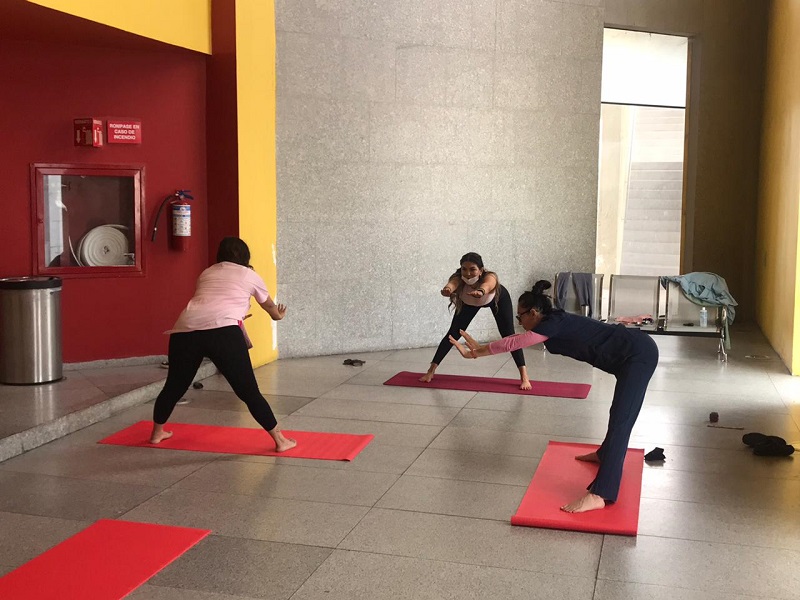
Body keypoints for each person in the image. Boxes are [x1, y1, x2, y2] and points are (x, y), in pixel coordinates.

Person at [449, 279, 659, 513]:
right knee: (618, 413)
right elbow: (518, 340)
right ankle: (604, 454)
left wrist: (478, 351)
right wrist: (481, 349)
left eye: (520, 317)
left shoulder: (552, 323)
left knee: (622, 419)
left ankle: (602, 493)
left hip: (638, 355)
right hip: (623, 357)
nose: (520, 323)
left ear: (535, 313)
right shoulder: (553, 321)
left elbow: (516, 342)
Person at [149, 237, 296, 452]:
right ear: (246, 256)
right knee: (248, 391)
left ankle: (156, 433)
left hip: (185, 330)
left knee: (174, 386)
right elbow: (272, 311)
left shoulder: (207, 273)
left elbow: (212, 302)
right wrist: (279, 315)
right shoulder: (249, 275)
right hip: (223, 332)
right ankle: (281, 441)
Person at [420, 252, 530, 390]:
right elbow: (452, 284)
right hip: (470, 301)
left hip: (497, 300)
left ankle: (524, 377)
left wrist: (481, 291)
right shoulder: (459, 278)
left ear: (481, 270)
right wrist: (447, 290)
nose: (468, 273)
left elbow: (488, 285)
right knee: (453, 333)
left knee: (508, 335)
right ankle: (431, 371)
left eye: (472, 269)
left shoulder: (490, 276)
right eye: (464, 269)